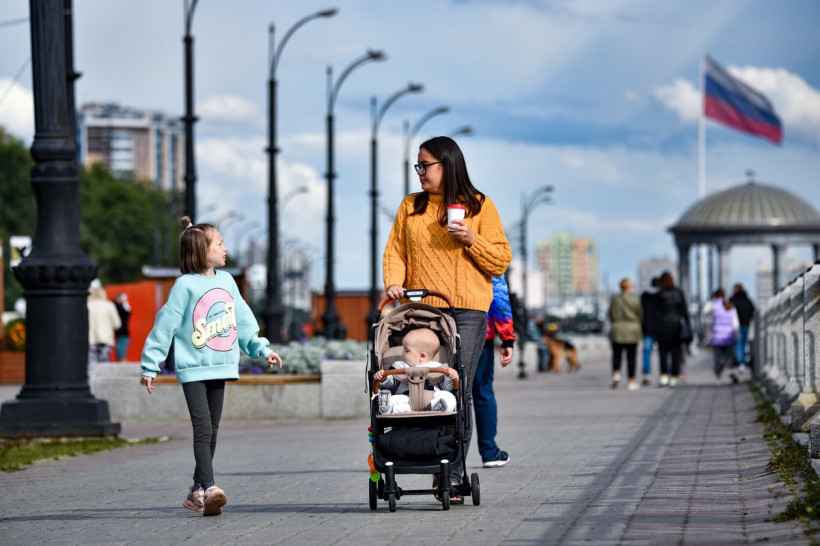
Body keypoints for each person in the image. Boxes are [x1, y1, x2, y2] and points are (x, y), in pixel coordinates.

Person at [383, 136, 512, 504]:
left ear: (448, 164)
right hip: (423, 309)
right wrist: (393, 281)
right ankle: (423, 453)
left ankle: (451, 475)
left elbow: (501, 261)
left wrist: (471, 238)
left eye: (426, 165)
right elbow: (395, 252)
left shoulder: (480, 205)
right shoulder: (411, 206)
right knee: (421, 382)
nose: (420, 172)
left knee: (458, 386)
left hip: (469, 309)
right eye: (418, 166)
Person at [140, 216, 283, 517]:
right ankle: (209, 486)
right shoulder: (184, 286)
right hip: (194, 369)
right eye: (219, 243)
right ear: (201, 250)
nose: (225, 248)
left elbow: (243, 320)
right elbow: (165, 325)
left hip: (220, 366)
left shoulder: (227, 281)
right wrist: (150, 365)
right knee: (203, 428)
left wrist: (262, 349)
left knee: (213, 431)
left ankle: (196, 491)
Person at [474, 275, 515, 468]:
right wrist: (507, 338)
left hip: (444, 332)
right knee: (483, 392)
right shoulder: (486, 256)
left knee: (451, 394)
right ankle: (489, 452)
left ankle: (449, 455)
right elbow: (499, 295)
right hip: (481, 333)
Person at [374, 327, 458, 414]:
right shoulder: (400, 366)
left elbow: (447, 388)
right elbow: (391, 383)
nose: (402, 353)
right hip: (406, 398)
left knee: (450, 397)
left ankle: (437, 406)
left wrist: (450, 376)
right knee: (394, 399)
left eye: (406, 350)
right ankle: (389, 409)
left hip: (432, 398)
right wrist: (383, 378)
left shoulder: (439, 368)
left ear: (422, 356)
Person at [655, 271, 691, 388]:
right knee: (676, 353)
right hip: (677, 327)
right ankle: (674, 377)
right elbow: (685, 311)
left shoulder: (659, 294)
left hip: (662, 326)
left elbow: (656, 312)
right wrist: (688, 327)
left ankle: (664, 376)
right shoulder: (679, 292)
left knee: (663, 353)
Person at [608, 277, 642, 390]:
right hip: (632, 330)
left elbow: (610, 314)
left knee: (616, 355)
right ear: (629, 287)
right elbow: (640, 314)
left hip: (617, 329)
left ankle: (616, 373)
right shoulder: (635, 300)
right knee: (631, 357)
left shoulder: (615, 300)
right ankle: (631, 381)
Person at [705, 288, 740, 385]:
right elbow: (735, 323)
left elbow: (708, 320)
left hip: (717, 337)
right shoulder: (730, 305)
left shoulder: (713, 306)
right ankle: (730, 370)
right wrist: (736, 335)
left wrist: (709, 335)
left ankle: (718, 378)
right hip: (729, 336)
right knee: (729, 356)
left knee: (717, 357)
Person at [88, 283, 121, 365]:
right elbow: (117, 324)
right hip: (105, 339)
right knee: (104, 366)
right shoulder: (109, 305)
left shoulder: (86, 305)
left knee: (91, 365)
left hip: (89, 339)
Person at [639, 277, 661, 386]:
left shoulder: (644, 296)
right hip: (661, 328)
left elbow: (640, 312)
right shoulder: (662, 295)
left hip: (647, 328)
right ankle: (663, 374)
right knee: (663, 352)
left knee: (647, 352)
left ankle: (646, 375)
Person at [730, 283, 755, 372]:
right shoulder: (747, 300)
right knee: (744, 344)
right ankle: (743, 362)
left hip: (737, 325)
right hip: (747, 324)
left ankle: (741, 363)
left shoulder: (733, 300)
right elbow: (752, 310)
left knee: (738, 344)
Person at [113, 292, 131, 361]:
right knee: (120, 353)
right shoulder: (116, 306)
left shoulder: (124, 307)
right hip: (119, 333)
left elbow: (127, 312)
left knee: (121, 354)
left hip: (122, 333)